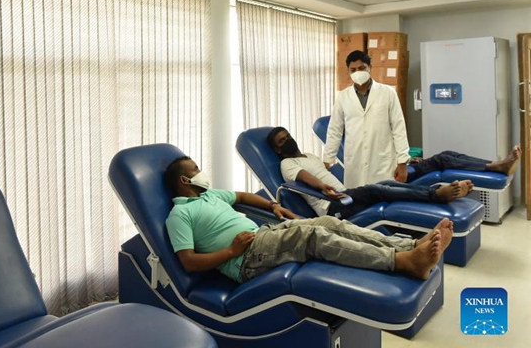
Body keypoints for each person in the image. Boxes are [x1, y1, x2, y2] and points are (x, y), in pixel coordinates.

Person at [164, 155, 451, 284]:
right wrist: (231, 251)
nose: (202, 171)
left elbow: (241, 197)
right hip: (246, 259)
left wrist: (273, 204)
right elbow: (188, 261)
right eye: (197, 169)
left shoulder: (210, 195)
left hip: (263, 235)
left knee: (329, 224)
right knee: (313, 237)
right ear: (184, 179)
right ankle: (403, 262)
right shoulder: (180, 214)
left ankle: (408, 244)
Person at [267, 127, 474, 219]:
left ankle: (433, 192)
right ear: (277, 150)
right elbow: (305, 177)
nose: (288, 141)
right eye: (282, 141)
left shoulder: (310, 156)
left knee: (387, 184)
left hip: (345, 194)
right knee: (377, 189)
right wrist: (322, 187)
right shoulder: (287, 163)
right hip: (332, 206)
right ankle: (436, 196)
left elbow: (326, 168)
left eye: (288, 136)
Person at [324, 50, 410, 187]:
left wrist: (402, 162)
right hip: (355, 161)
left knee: (384, 200)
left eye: (361, 68)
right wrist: (327, 159)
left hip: (383, 162)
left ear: (370, 67)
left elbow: (399, 128)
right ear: (348, 71)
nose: (357, 72)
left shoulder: (388, 93)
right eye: (353, 70)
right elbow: (335, 129)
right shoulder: (343, 97)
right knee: (358, 201)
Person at [407, 148, 521, 181]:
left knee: (447, 153)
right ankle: (495, 167)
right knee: (441, 159)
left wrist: (410, 160)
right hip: (404, 174)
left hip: (408, 167)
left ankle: (495, 164)